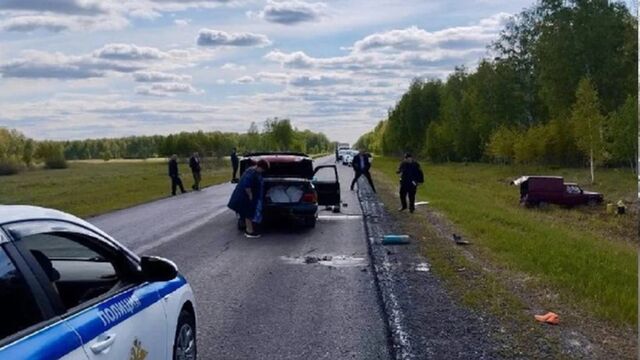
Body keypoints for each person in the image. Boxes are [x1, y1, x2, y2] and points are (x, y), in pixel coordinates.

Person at [228, 159, 270, 238]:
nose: (263, 171)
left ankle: (250, 229)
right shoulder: (251, 173)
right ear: (259, 167)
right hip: (244, 196)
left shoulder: (252, 170)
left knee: (248, 212)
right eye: (263, 169)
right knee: (248, 213)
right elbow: (247, 186)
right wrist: (250, 195)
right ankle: (249, 232)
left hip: (247, 196)